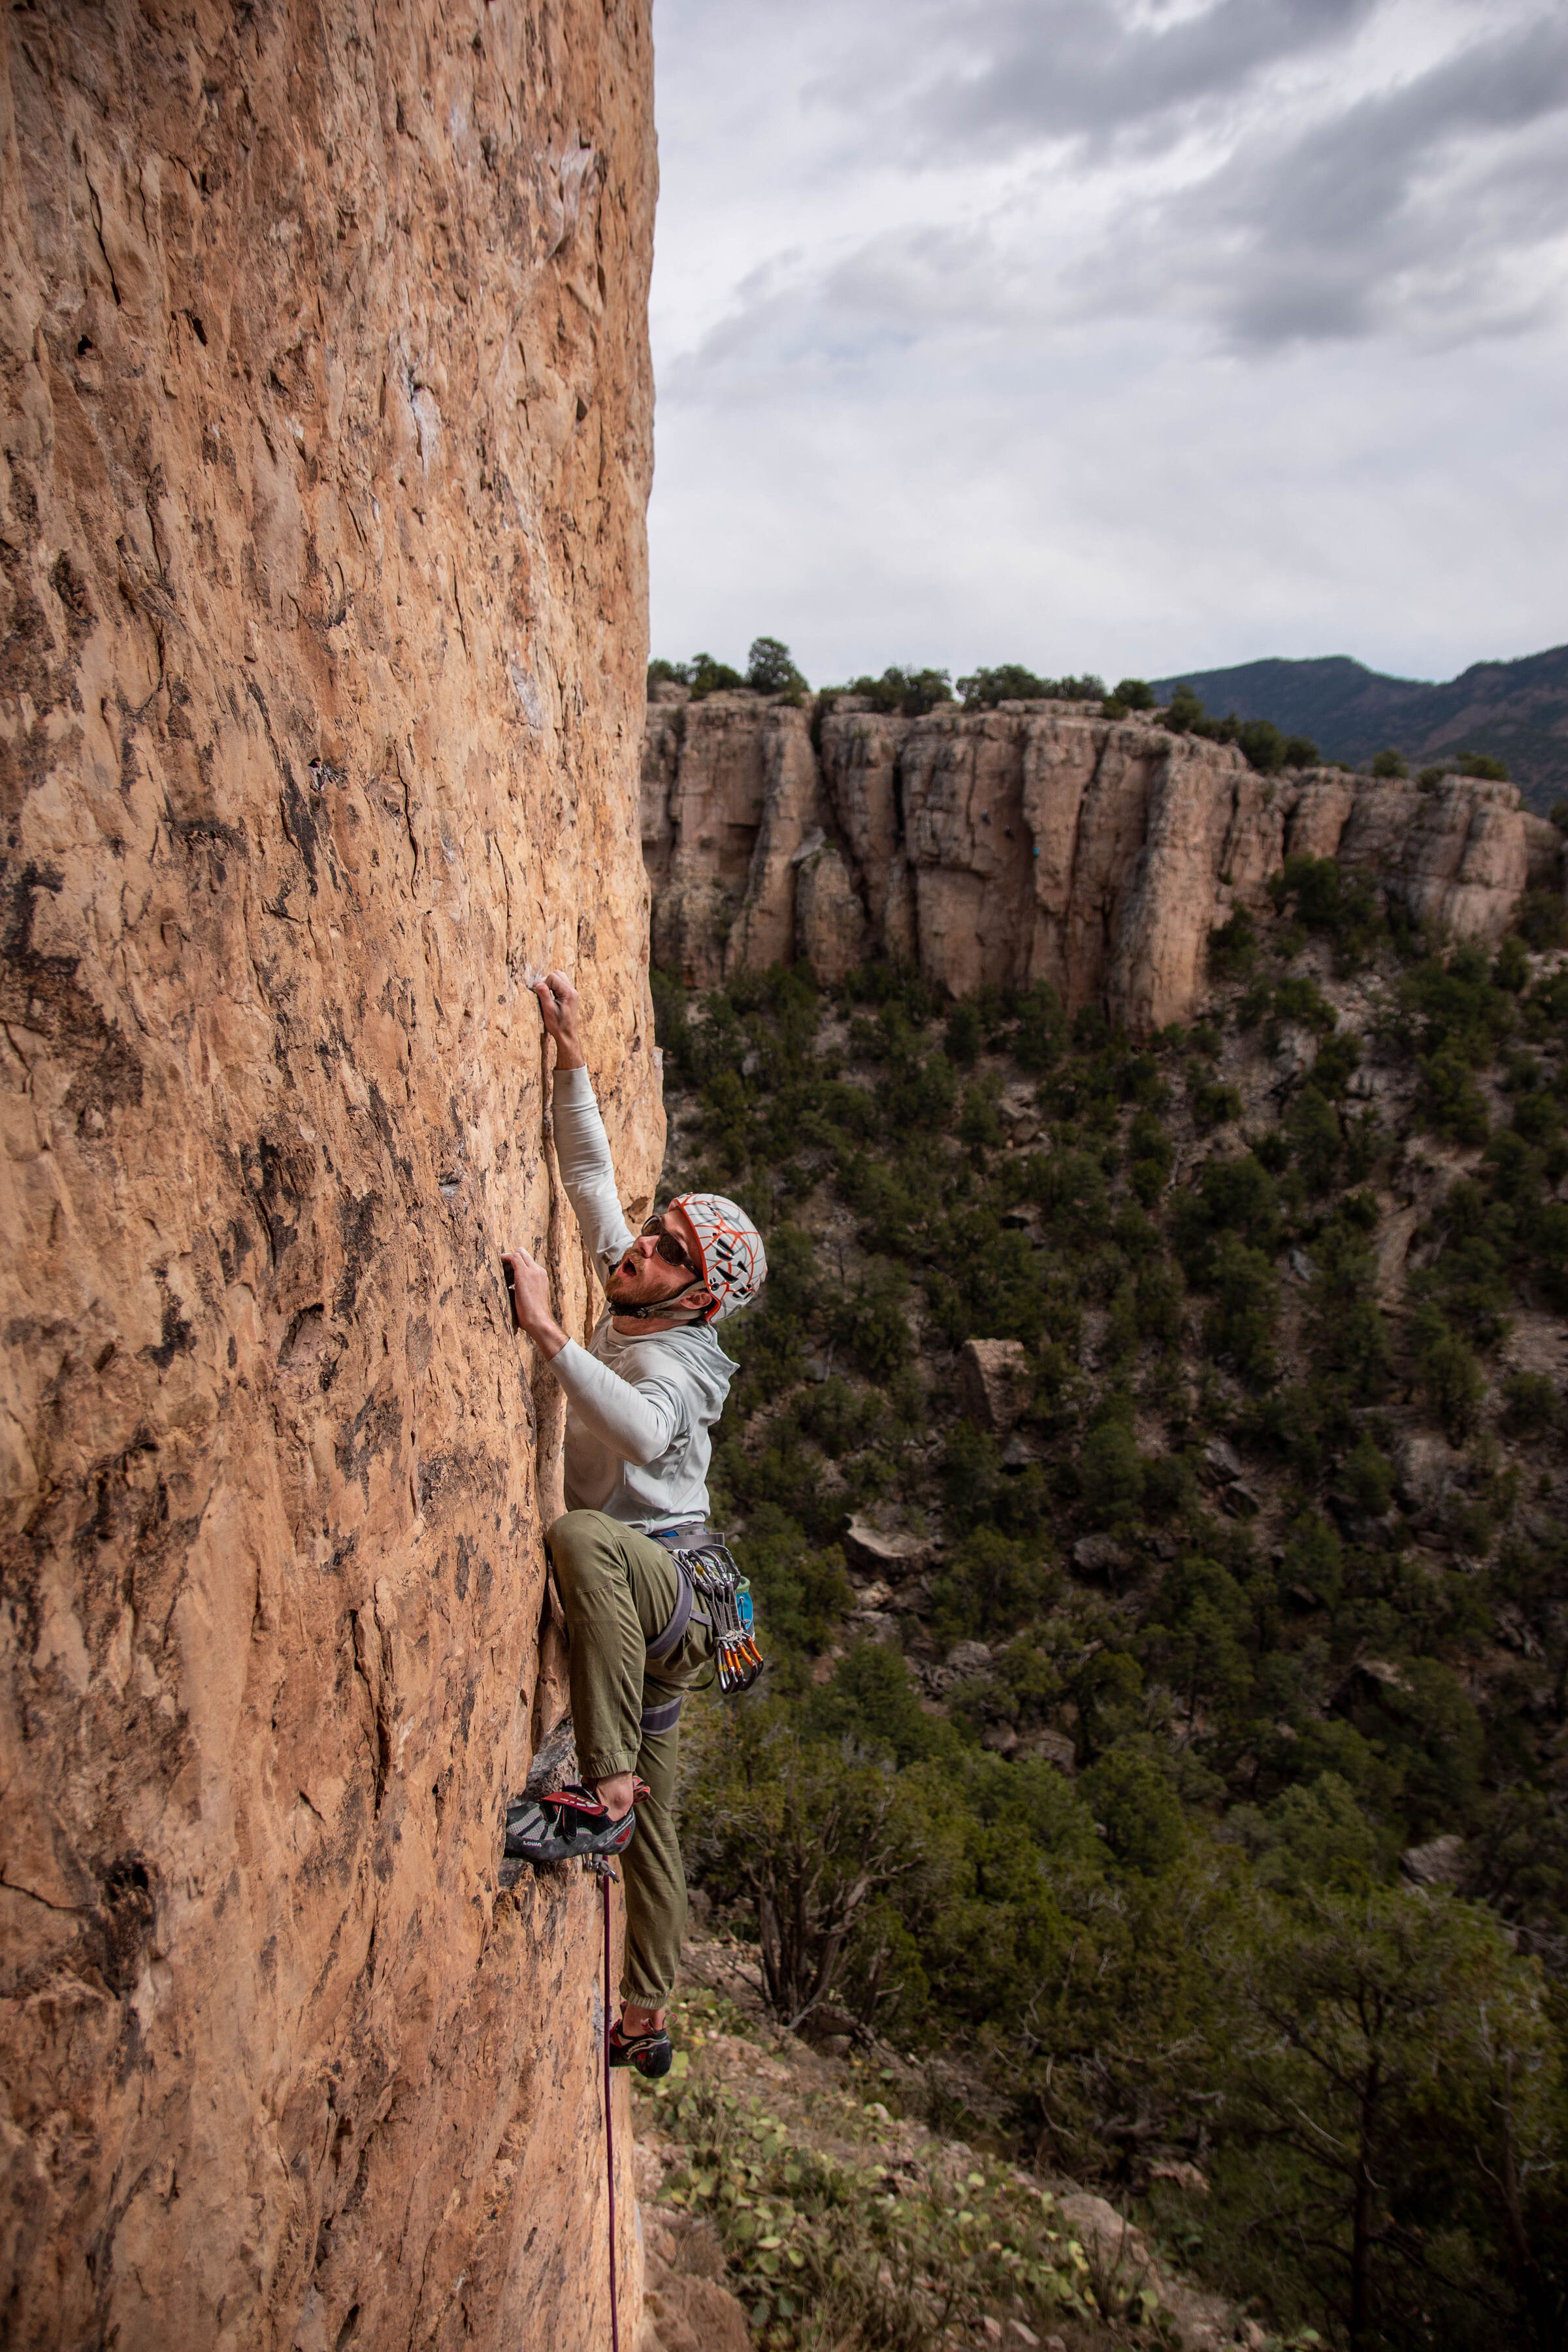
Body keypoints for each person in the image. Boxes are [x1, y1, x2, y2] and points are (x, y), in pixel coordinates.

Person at [501, 970, 766, 2078]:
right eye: (658, 1232)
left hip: (658, 1584)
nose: (641, 1248)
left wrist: (547, 1336)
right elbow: (591, 1178)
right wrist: (570, 1054)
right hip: (673, 1610)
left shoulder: (674, 1355)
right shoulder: (642, 1281)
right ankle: (649, 2013)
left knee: (579, 1541)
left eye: (666, 1253)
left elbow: (650, 1434)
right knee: (663, 1829)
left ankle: (598, 1788)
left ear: (698, 1298)